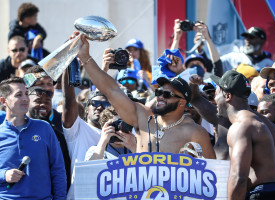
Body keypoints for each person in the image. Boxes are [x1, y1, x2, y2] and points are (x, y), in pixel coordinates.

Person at [71, 32, 216, 158]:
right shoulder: (143, 117)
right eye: (159, 92)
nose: (160, 96)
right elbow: (111, 90)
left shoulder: (195, 132)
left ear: (182, 103)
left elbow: (213, 173)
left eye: (167, 94)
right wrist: (85, 57)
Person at [210, 70, 275, 199]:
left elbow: (239, 178)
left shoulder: (241, 126)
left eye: (216, 94)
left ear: (227, 96)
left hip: (261, 195)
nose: (214, 100)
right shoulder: (271, 126)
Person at [0, 77, 66, 199]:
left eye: (26, 93)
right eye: (18, 95)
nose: (25, 98)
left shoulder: (44, 128)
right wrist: (4, 175)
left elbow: (58, 169)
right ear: (4, 101)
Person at [61, 70, 109, 199]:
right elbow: (69, 100)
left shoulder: (117, 133)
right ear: (86, 108)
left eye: (105, 105)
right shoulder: (77, 129)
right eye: (95, 104)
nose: (99, 107)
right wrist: (69, 67)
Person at [27, 86, 71, 191]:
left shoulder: (57, 133)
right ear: (26, 102)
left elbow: (62, 171)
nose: (43, 105)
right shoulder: (15, 130)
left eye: (48, 101)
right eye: (38, 101)